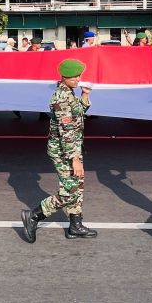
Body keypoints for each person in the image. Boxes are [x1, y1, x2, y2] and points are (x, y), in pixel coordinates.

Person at [20, 58, 96, 242]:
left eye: (79, 75)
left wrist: (84, 95)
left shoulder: (69, 93)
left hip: (72, 148)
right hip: (64, 150)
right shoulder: (61, 97)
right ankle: (35, 215)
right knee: (70, 190)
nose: (78, 79)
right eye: (74, 76)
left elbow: (78, 113)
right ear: (64, 77)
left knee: (77, 186)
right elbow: (66, 130)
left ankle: (75, 225)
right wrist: (74, 158)